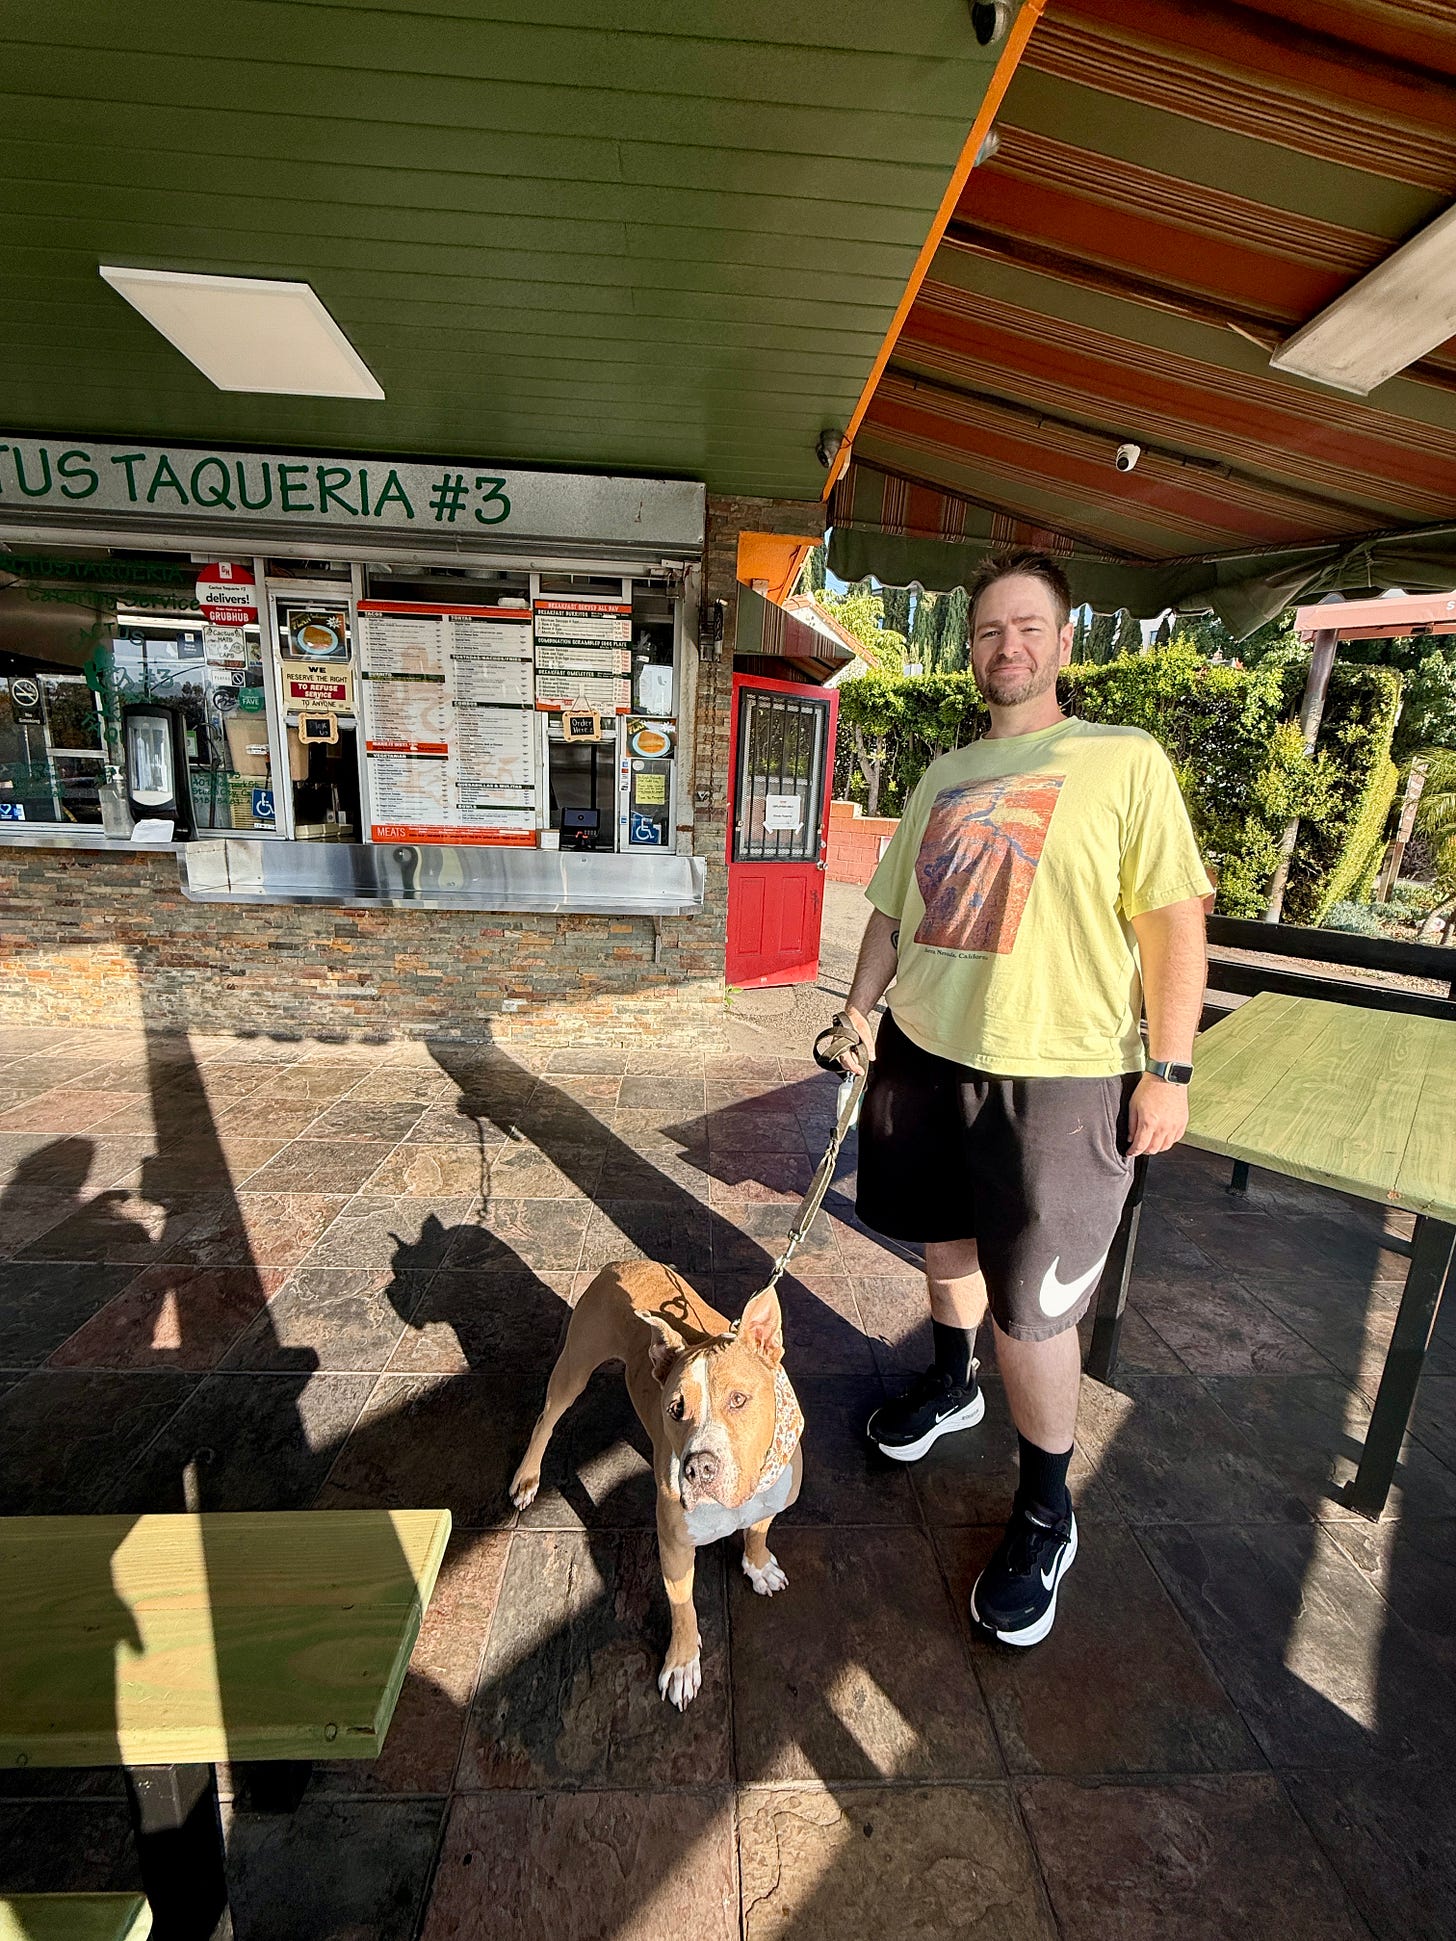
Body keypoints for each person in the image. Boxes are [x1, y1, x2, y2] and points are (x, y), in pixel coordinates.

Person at [824, 550, 1210, 1647]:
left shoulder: (1122, 760)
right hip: (921, 1054)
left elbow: (1173, 922)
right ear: (973, 649)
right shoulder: (941, 776)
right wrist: (859, 1012)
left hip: (1059, 1076)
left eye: (1028, 627)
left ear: (1064, 644)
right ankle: (950, 1388)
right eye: (990, 630)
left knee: (1032, 1309)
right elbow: (893, 914)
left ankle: (1046, 1508)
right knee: (940, 1249)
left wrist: (1168, 1068)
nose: (1008, 646)